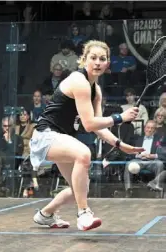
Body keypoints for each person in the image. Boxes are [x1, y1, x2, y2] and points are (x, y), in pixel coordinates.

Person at [30, 40, 144, 231]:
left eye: (102, 59)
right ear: (84, 60)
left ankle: (45, 215)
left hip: (62, 138)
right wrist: (120, 117)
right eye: (93, 58)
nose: (98, 62)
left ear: (108, 64)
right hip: (45, 136)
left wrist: (118, 143)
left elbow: (97, 125)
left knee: (80, 189)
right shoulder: (79, 82)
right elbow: (90, 124)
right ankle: (83, 213)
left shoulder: (96, 91)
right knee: (84, 154)